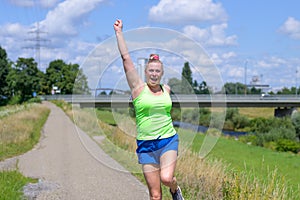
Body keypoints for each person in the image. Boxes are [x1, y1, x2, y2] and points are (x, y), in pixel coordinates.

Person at [113, 19, 184, 200]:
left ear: (162, 73)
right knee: (155, 195)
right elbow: (126, 58)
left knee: (167, 178)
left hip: (167, 140)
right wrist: (119, 33)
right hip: (146, 145)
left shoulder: (166, 89)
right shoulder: (138, 88)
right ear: (145, 72)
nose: (154, 74)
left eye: (157, 71)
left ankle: (175, 190)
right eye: (151, 70)